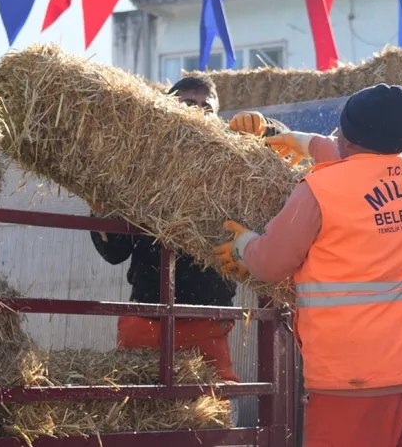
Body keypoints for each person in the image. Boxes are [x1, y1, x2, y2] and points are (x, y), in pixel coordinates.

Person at [213, 84, 402, 447]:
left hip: (352, 386)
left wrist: (244, 243)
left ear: (348, 138)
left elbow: (272, 263)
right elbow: (364, 167)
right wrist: (303, 142)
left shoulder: (321, 188)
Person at [87, 75, 287, 383]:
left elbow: (286, 153)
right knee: (135, 412)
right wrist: (100, 207)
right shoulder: (142, 165)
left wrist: (265, 126)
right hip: (146, 317)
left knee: (215, 410)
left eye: (206, 106)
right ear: (167, 107)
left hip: (209, 318)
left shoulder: (232, 159)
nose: (197, 111)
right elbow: (114, 252)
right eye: (188, 103)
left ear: (218, 115)